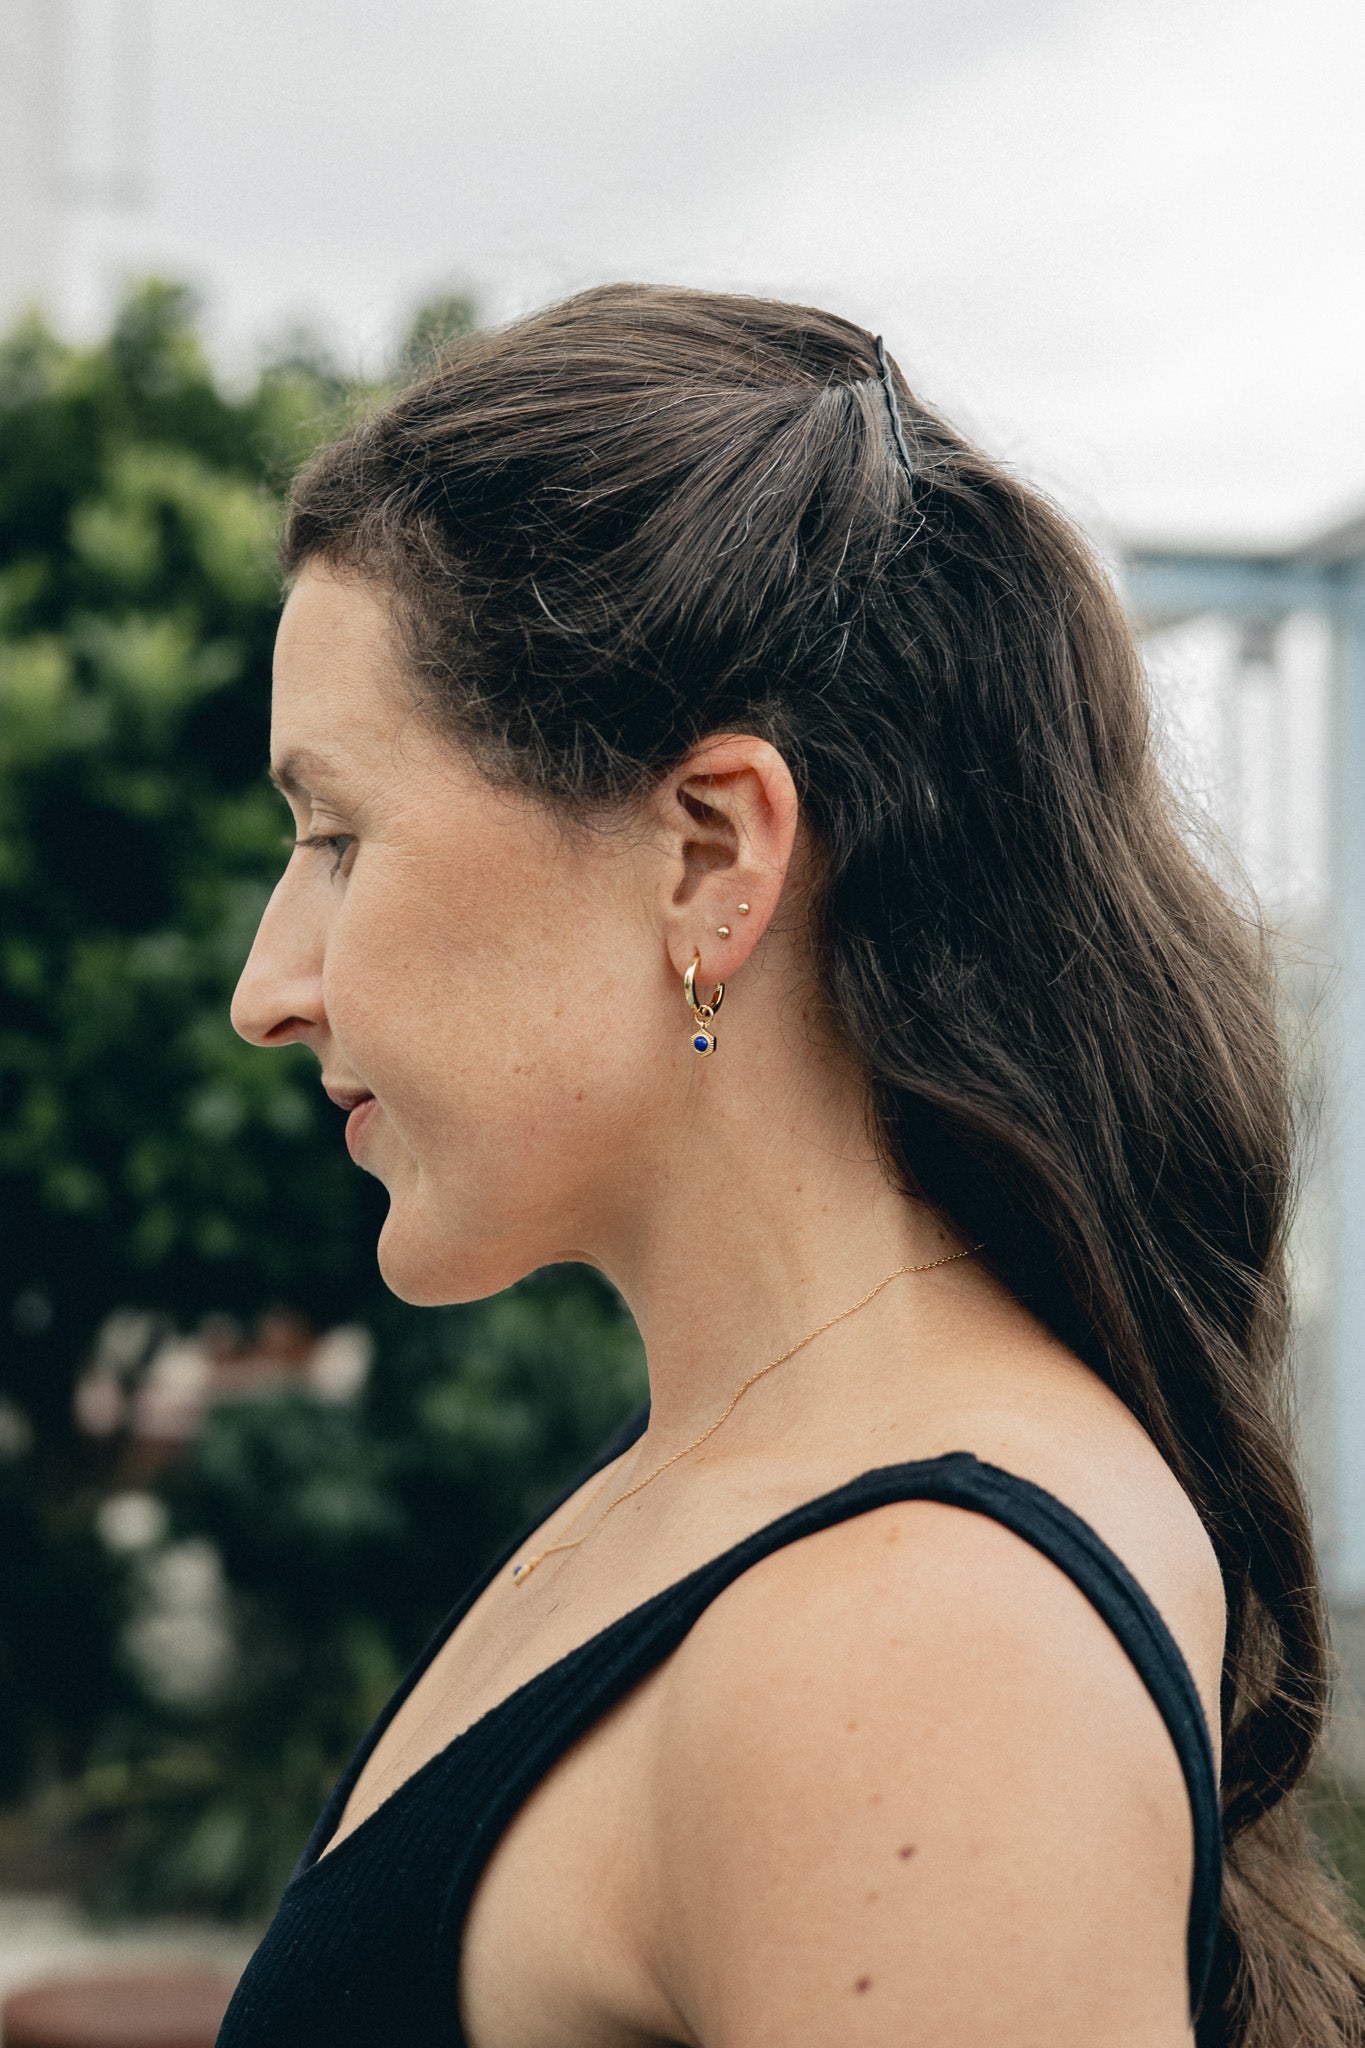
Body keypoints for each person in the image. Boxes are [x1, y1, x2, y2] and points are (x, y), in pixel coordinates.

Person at [220, 285, 1364, 2048]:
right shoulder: (755, 1469)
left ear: (707, 854)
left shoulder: (913, 1645)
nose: (267, 991)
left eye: (339, 836)